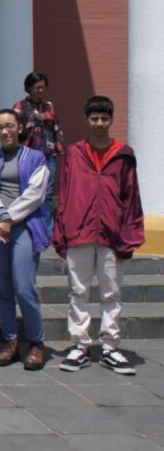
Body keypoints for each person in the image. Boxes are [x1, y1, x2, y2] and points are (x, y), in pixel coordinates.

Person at [54, 95, 144, 375]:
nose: (99, 123)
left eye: (104, 118)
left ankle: (110, 347)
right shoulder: (74, 153)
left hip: (112, 232)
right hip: (79, 229)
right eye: (94, 118)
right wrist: (61, 229)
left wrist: (130, 232)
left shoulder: (123, 154)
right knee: (78, 291)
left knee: (111, 292)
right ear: (86, 119)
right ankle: (80, 346)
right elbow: (65, 191)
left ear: (111, 120)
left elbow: (131, 196)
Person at [0, 109, 50, 371]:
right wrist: (0, 216)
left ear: (20, 127)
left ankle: (36, 342)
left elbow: (35, 195)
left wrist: (10, 218)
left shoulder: (36, 158)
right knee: (3, 289)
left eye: (10, 126)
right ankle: (10, 341)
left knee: (24, 287)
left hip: (25, 227)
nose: (5, 131)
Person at [13, 72, 65, 235]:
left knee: (47, 193)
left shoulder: (49, 105)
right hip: (27, 154)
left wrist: (61, 148)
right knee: (27, 190)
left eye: (43, 87)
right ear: (29, 88)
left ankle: (47, 231)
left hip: (47, 154)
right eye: (37, 87)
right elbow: (14, 130)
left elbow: (56, 128)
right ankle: (26, 226)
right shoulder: (19, 107)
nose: (40, 90)